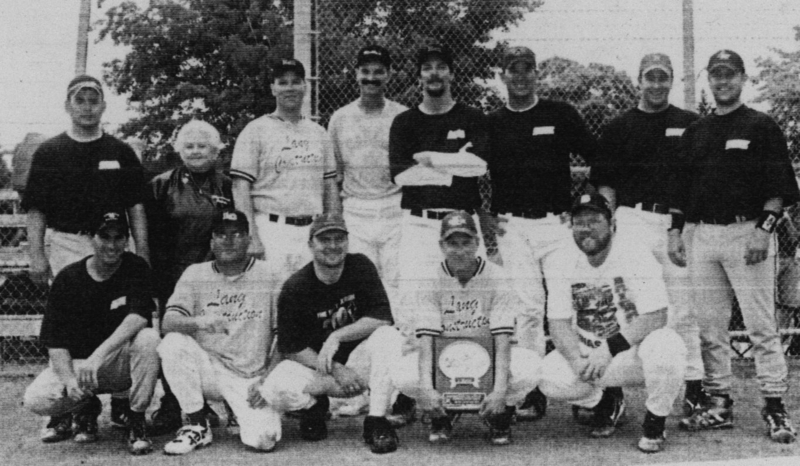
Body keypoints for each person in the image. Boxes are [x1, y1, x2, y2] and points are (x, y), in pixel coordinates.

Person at [668, 50, 798, 443]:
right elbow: (681, 189)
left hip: (748, 233)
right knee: (710, 327)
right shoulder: (697, 131)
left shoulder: (760, 125)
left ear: (743, 77)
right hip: (703, 235)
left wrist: (764, 229)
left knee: (761, 326)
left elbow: (780, 188)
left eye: (730, 74)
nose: (722, 82)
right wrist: (676, 232)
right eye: (716, 75)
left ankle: (774, 406)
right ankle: (718, 403)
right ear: (709, 79)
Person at [484, 45, 598, 420]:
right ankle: (532, 391)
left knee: (571, 305)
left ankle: (587, 392)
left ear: (537, 73)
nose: (520, 76)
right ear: (503, 76)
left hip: (557, 224)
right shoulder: (493, 122)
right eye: (512, 69)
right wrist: (483, 215)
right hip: (512, 226)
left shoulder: (559, 114)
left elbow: (597, 157)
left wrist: (582, 206)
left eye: (527, 69)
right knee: (527, 310)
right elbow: (467, 170)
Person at [592, 53, 704, 417]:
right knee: (626, 307)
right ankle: (613, 391)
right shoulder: (619, 125)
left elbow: (695, 180)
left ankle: (692, 387)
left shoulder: (689, 123)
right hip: (632, 220)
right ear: (638, 80)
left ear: (671, 81)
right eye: (649, 77)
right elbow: (605, 184)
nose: (656, 84)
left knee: (682, 308)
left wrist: (680, 225)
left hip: (677, 223)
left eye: (663, 77)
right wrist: (609, 226)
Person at [538, 194, 686, 453]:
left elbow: (656, 315)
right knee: (548, 376)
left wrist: (609, 349)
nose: (587, 228)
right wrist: (575, 359)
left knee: (667, 346)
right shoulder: (561, 259)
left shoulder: (633, 252)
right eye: (580, 222)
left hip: (632, 353)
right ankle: (605, 401)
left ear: (612, 224)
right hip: (589, 354)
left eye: (594, 221)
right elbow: (557, 323)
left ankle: (655, 420)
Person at [385, 211, 540, 446]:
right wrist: (427, 388)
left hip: (490, 355)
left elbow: (502, 338)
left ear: (477, 243)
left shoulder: (497, 276)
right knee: (402, 373)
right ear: (441, 245)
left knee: (530, 366)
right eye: (452, 243)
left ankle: (501, 413)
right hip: (445, 361)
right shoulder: (430, 279)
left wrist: (500, 391)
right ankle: (443, 414)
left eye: (466, 242)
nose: (460, 250)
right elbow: (426, 340)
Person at [23, 211, 159, 455]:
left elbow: (139, 315)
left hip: (116, 363)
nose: (112, 245)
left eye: (119, 237)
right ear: (91, 239)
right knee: (36, 398)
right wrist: (69, 381)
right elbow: (55, 341)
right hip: (80, 367)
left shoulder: (135, 267)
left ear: (127, 240)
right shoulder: (69, 278)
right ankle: (85, 405)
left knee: (149, 339)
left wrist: (98, 357)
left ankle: (136, 419)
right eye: (104, 237)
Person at [270, 213, 401, 454]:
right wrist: (336, 371)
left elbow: (382, 317)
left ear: (347, 241)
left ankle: (376, 420)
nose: (332, 246)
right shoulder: (295, 287)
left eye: (339, 238)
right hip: (318, 366)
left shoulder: (360, 265)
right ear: (311, 244)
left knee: (388, 337)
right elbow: (290, 346)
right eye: (324, 239)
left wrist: (337, 336)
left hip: (358, 362)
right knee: (275, 387)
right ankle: (314, 408)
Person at [157, 210, 284, 454]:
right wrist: (198, 322)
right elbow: (168, 322)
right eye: (221, 234)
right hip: (210, 369)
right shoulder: (195, 273)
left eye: (236, 234)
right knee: (171, 344)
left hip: (251, 377)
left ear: (248, 238)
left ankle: (235, 410)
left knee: (263, 440)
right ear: (212, 241)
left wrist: (268, 380)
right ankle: (197, 424)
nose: (228, 240)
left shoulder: (270, 274)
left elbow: (285, 335)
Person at [388, 42, 490, 332]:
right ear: (419, 76)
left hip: (463, 223)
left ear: (452, 75)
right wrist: (455, 164)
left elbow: (479, 166)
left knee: (468, 301)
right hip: (418, 224)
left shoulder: (471, 117)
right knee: (412, 302)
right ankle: (414, 374)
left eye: (441, 67)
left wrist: (430, 159)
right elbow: (400, 176)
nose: (434, 73)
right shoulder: (405, 122)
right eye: (427, 68)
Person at [145, 120, 233, 434]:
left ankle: (211, 402)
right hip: (173, 274)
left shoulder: (228, 185)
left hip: (214, 274)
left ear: (216, 150)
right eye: (190, 146)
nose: (196, 151)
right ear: (179, 149)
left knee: (211, 334)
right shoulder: (161, 185)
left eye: (203, 146)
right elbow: (150, 236)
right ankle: (171, 404)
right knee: (173, 337)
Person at [23, 75, 150, 285]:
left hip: (113, 245)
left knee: (112, 312)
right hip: (66, 245)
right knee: (72, 314)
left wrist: (142, 252)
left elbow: (135, 207)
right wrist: (36, 256)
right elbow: (36, 209)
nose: (87, 107)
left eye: (93, 101)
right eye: (79, 101)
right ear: (67, 106)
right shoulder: (49, 152)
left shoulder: (121, 151)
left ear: (103, 106)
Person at [230, 58, 340, 284]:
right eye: (282, 82)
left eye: (296, 82)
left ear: (305, 86)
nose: (290, 88)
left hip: (312, 229)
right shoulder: (256, 130)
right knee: (272, 301)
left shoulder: (319, 133)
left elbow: (330, 186)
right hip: (272, 228)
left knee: (313, 301)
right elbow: (240, 186)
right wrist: (252, 236)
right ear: (273, 88)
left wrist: (334, 229)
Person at [328, 45, 408, 311]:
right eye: (365, 71)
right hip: (356, 209)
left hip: (394, 208)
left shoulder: (402, 116)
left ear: (388, 75)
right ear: (355, 74)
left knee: (398, 280)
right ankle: (364, 349)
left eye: (378, 72)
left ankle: (400, 345)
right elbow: (334, 174)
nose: (371, 78)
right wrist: (337, 215)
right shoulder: (340, 118)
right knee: (361, 282)